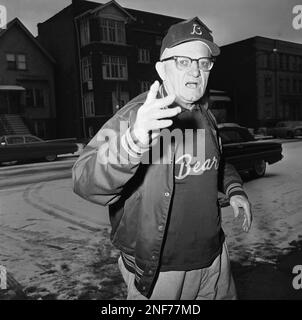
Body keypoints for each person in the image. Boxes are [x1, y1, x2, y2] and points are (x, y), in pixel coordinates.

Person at [72, 17, 252, 300]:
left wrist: (234, 189)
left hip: (215, 258)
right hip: (160, 272)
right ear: (161, 69)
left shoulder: (206, 116)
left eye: (203, 62)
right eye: (183, 61)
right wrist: (134, 141)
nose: (195, 70)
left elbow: (217, 163)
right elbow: (84, 179)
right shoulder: (137, 116)